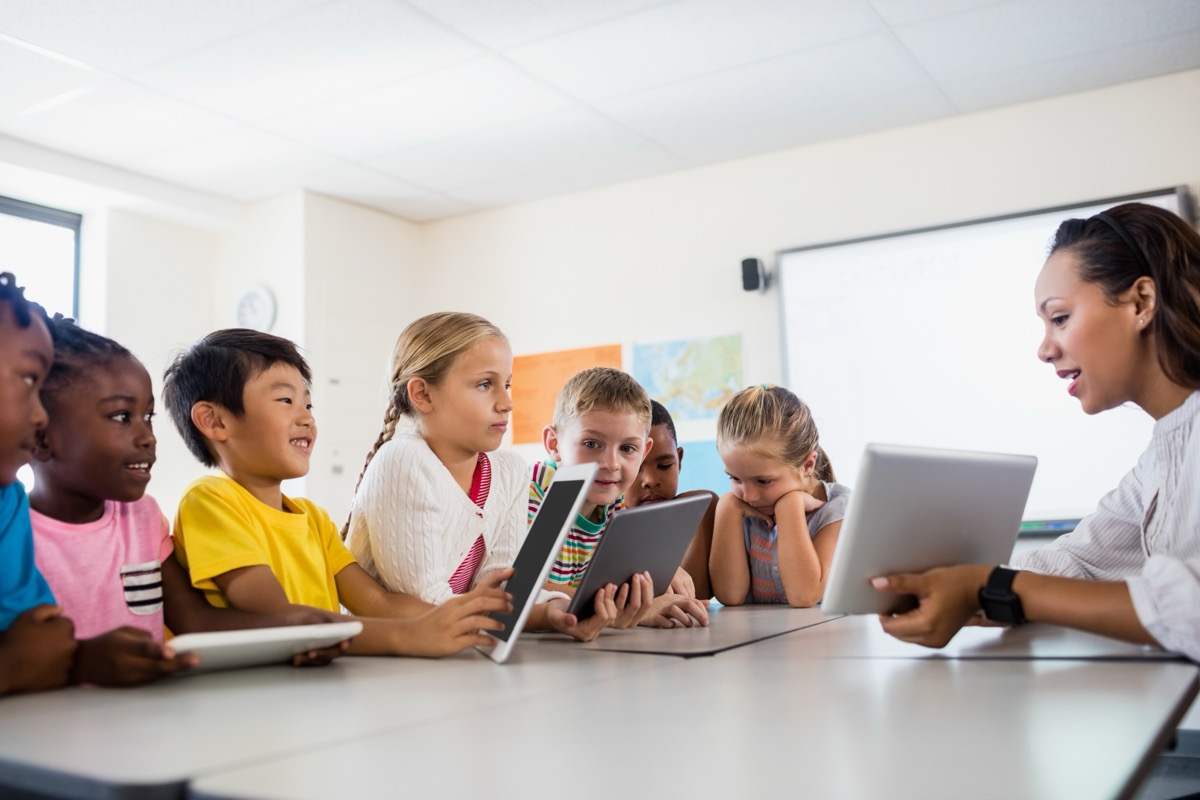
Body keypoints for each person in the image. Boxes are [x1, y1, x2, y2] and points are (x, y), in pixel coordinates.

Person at [874, 202, 1200, 661]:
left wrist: (985, 586)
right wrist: (953, 586)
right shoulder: (1162, 454)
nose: (1045, 350)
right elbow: (1080, 562)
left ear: (1141, 303)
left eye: (1060, 318)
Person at [163, 328, 512, 658]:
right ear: (215, 421)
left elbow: (377, 602)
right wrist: (407, 636)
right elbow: (279, 618)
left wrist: (457, 620)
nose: (306, 419)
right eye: (285, 400)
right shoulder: (210, 500)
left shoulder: (313, 519)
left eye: (308, 405)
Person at [344, 312, 616, 641]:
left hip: (458, 648)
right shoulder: (404, 460)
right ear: (423, 395)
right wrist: (530, 614)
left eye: (507, 384)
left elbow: (500, 587)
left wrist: (553, 609)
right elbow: (426, 602)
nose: (507, 403)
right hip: (391, 655)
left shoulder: (509, 471)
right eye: (485, 385)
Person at [27, 316, 197, 685]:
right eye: (122, 416)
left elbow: (195, 621)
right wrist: (81, 662)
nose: (148, 437)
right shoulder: (14, 536)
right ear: (41, 439)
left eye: (148, 416)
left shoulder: (143, 516)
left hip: (147, 717)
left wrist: (304, 629)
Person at [533, 367, 708, 628]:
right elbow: (522, 589)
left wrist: (655, 580)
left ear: (643, 451)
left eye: (627, 448)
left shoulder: (614, 508)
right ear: (553, 444)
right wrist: (627, 606)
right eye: (591, 444)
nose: (611, 463)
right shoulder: (540, 495)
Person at [0, 273, 76, 695]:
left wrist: (87, 658)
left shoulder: (7, 501)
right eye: (30, 379)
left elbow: (33, 633)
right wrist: (10, 671)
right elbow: (20, 658)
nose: (42, 415)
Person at [709, 385, 851, 607]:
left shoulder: (838, 508)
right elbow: (730, 595)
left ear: (807, 465)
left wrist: (789, 508)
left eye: (763, 481)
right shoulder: (738, 509)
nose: (749, 496)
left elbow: (804, 595)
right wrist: (726, 507)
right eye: (735, 478)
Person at [625, 399, 717, 601]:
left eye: (665, 465)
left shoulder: (701, 509)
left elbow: (695, 595)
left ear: (679, 460)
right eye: (636, 467)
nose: (650, 481)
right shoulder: (599, 523)